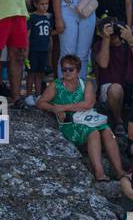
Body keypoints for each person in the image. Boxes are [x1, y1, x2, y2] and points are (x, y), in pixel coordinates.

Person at [38, 52, 125, 181]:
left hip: (88, 118)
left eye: (70, 69)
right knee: (94, 133)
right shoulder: (56, 85)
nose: (67, 72)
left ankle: (119, 171)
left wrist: (62, 107)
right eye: (64, 69)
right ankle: (99, 172)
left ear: (78, 70)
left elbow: (88, 104)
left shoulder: (86, 84)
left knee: (107, 132)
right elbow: (40, 102)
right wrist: (54, 109)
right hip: (71, 123)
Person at [93, 15, 133, 129]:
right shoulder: (99, 45)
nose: (113, 32)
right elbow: (103, 63)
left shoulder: (129, 43)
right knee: (116, 88)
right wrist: (106, 39)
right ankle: (118, 121)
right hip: (109, 89)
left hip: (129, 87)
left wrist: (131, 40)